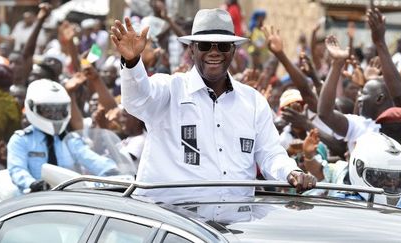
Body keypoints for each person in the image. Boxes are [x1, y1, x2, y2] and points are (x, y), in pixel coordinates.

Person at [110, 8, 316, 202]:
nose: (214, 52)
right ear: (192, 49)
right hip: (173, 227)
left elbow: (270, 153)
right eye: (205, 45)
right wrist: (132, 62)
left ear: (233, 50)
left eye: (223, 45)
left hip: (234, 228)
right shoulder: (170, 88)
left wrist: (292, 172)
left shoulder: (253, 101)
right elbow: (136, 100)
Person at [7, 79, 118, 193]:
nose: (55, 114)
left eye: (60, 110)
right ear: (31, 107)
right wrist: (32, 184)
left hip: (67, 201)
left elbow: (92, 159)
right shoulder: (21, 140)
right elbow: (17, 170)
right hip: (34, 202)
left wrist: (112, 172)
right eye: (48, 110)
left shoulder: (70, 139)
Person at [334, 132, 401, 213]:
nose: (391, 182)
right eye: (382, 176)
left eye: (397, 177)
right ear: (359, 169)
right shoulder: (344, 203)